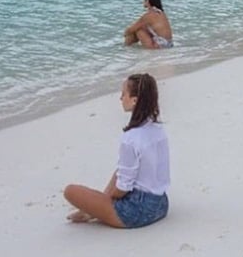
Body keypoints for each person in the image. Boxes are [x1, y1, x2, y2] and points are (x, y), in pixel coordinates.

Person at [64, 73, 171, 228]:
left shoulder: (131, 138)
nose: (121, 98)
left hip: (137, 211)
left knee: (70, 191)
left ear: (135, 100)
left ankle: (94, 210)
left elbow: (123, 188)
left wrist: (108, 200)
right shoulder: (157, 128)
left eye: (123, 94)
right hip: (161, 203)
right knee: (121, 169)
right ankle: (97, 208)